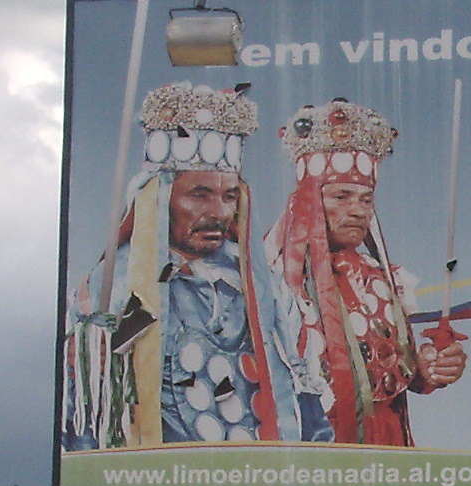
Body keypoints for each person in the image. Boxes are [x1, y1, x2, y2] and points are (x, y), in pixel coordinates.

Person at [60, 83, 312, 448]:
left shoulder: (265, 288)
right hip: (161, 468)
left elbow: (304, 397)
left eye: (229, 196)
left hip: (260, 468)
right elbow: (85, 411)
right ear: (160, 198)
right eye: (199, 195)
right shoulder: (111, 286)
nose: (219, 212)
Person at [267, 98, 467, 445]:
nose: (358, 211)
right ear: (308, 201)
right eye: (341, 197)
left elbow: (401, 371)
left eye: (365, 199)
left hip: (387, 442)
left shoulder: (383, 279)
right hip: (313, 445)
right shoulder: (272, 280)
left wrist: (429, 367)